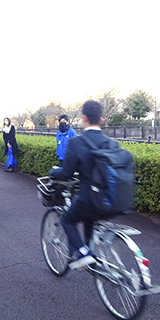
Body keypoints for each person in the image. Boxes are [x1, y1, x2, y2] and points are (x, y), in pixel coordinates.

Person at [48, 100, 113, 269]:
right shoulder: (111, 143)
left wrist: (53, 172)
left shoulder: (77, 143)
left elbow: (66, 173)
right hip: (111, 200)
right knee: (89, 220)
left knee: (68, 219)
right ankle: (92, 258)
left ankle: (84, 254)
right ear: (101, 118)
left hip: (89, 198)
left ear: (84, 118)